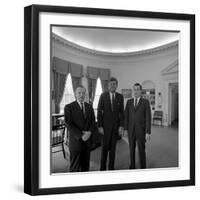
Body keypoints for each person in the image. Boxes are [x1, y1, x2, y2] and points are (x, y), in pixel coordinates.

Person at [64, 85, 95, 172]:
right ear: (75, 94)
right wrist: (81, 135)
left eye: (83, 93)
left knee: (86, 167)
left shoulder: (89, 106)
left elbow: (93, 121)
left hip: (87, 142)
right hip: (76, 142)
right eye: (79, 93)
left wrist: (89, 132)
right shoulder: (69, 107)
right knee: (75, 167)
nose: (81, 95)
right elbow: (68, 124)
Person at [97, 77, 124, 170]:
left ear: (116, 85)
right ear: (108, 85)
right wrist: (100, 126)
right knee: (104, 150)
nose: (112, 86)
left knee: (113, 150)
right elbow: (99, 111)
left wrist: (121, 126)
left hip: (115, 128)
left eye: (114, 84)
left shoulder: (120, 97)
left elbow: (122, 112)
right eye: (111, 84)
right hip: (105, 128)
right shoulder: (103, 96)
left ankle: (111, 168)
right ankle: (102, 168)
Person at [124, 83, 151, 169]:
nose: (135, 91)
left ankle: (143, 167)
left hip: (141, 131)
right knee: (131, 149)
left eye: (137, 89)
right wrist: (125, 129)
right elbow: (126, 116)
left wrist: (147, 132)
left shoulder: (145, 102)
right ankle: (132, 165)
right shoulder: (129, 102)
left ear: (140, 91)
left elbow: (148, 118)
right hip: (131, 130)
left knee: (141, 150)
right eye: (134, 89)